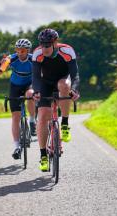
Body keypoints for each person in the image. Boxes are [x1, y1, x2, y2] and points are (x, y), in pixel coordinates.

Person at [31, 29, 80, 171]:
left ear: (55, 43)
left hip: (63, 80)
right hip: (45, 83)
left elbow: (75, 75)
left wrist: (75, 89)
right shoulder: (37, 53)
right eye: (42, 44)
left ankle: (64, 123)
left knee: (63, 85)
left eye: (47, 45)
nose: (44, 48)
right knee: (42, 117)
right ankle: (43, 156)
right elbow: (35, 77)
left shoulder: (67, 51)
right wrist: (37, 91)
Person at [0, 38, 37, 160]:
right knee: (15, 117)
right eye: (17, 50)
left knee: (30, 94)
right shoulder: (10, 59)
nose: (20, 53)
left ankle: (32, 120)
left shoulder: (33, 59)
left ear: (28, 50)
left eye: (22, 50)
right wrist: (0, 65)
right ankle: (17, 146)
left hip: (30, 84)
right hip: (15, 86)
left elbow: (43, 72)